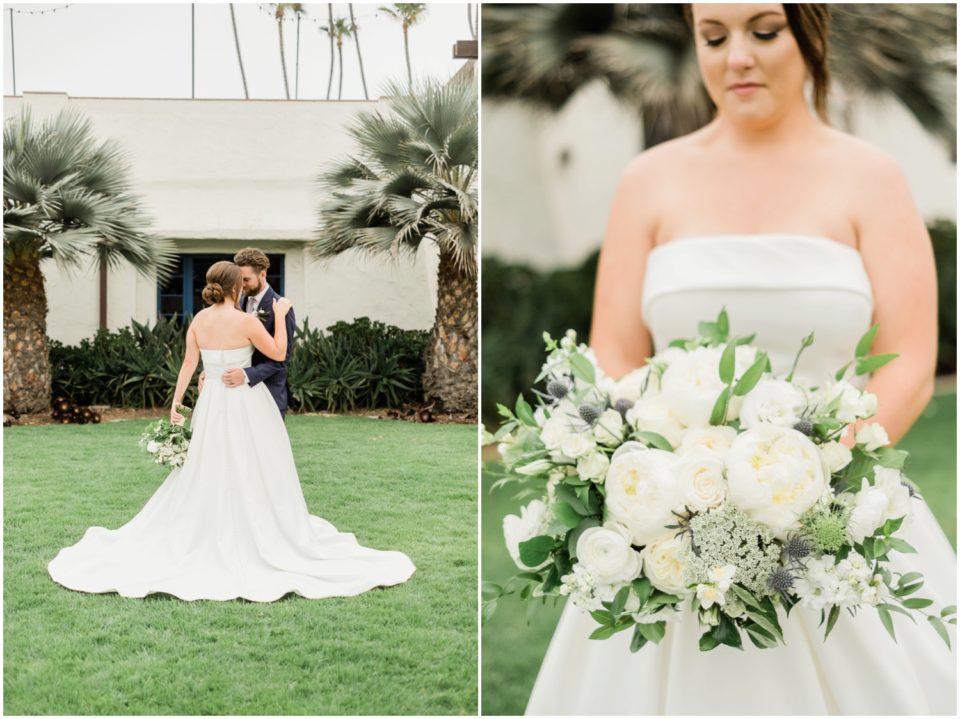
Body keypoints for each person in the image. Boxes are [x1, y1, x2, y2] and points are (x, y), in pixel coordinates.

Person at [524, 4, 955, 715]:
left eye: (764, 31)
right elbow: (617, 352)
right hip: (676, 525)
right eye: (714, 38)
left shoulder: (872, 177)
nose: (737, 58)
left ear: (809, 33)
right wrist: (656, 478)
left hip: (836, 509)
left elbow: (909, 357)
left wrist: (813, 478)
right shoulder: (648, 180)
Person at [48, 261, 415, 601]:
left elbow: (189, 365)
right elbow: (277, 354)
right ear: (236, 288)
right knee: (257, 462)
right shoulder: (246, 322)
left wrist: (177, 405)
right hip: (246, 403)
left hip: (211, 404)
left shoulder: (198, 322)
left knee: (211, 462)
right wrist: (284, 316)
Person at [198, 247, 294, 418]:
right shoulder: (235, 302)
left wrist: (246, 375)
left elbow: (282, 357)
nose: (241, 285)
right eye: (238, 279)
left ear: (263, 274)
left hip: (268, 393)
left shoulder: (280, 307)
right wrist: (213, 370)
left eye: (246, 279)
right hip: (234, 395)